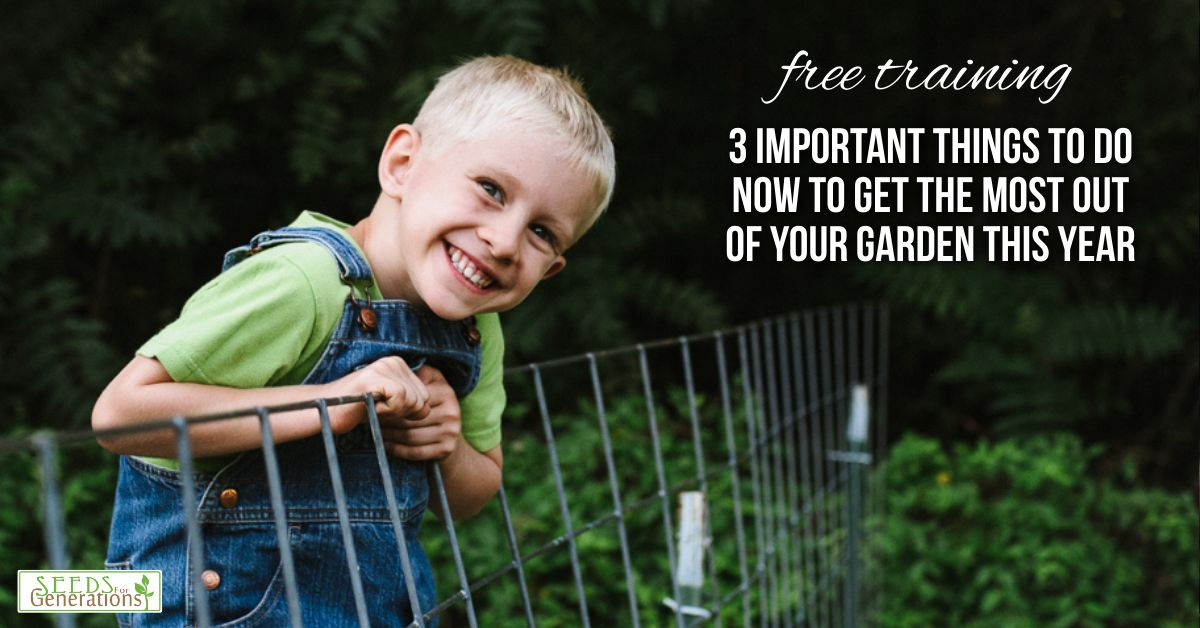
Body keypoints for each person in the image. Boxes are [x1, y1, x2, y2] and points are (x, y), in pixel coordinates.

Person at [91, 55, 615, 626]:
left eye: (542, 231)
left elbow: (469, 495)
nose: (506, 241)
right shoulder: (304, 282)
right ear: (402, 163)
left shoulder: (476, 329)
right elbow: (120, 417)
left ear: (552, 269)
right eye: (491, 189)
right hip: (208, 605)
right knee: (49, 595)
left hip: (377, 611)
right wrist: (329, 405)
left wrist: (445, 444)